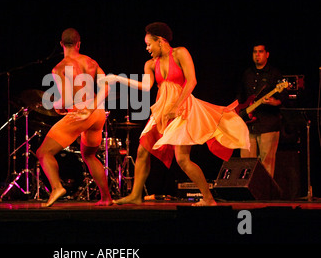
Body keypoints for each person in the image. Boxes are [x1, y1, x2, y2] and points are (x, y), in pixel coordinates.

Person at [103, 22, 250, 206]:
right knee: (142, 149)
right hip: (162, 111)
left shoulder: (180, 53)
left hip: (183, 109)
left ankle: (208, 198)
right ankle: (135, 195)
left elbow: (191, 81)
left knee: (182, 159)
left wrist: (178, 105)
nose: (147, 48)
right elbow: (146, 86)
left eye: (149, 44)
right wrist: (118, 78)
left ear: (161, 40)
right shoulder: (150, 64)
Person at [36, 28, 112, 207]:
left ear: (61, 44)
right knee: (90, 156)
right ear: (79, 44)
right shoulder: (91, 62)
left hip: (80, 114)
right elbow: (107, 87)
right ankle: (106, 197)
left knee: (43, 153)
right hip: (98, 113)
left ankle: (57, 187)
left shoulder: (60, 68)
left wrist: (57, 106)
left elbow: (67, 100)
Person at [237, 44, 285, 177]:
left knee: (266, 163)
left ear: (267, 54)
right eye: (255, 52)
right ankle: (248, 193)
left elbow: (283, 97)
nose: (257, 55)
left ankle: (265, 194)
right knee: (246, 162)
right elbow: (241, 96)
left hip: (268, 124)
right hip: (248, 124)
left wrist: (274, 102)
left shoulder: (274, 73)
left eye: (260, 52)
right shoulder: (247, 73)